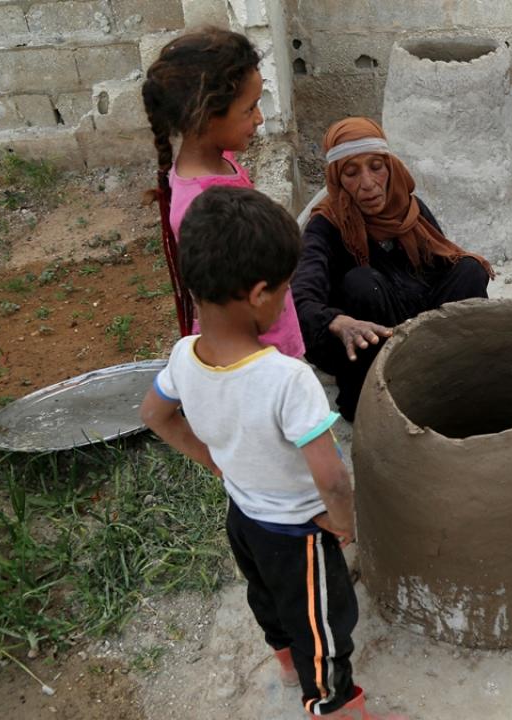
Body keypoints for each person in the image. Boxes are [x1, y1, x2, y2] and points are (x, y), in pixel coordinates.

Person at [139, 186, 404, 720]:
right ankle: (334, 705)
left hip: (244, 519)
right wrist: (345, 525)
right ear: (260, 293)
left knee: (268, 601)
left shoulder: (183, 355)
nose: (287, 300)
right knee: (324, 628)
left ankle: (286, 664)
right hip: (297, 532)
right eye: (285, 291)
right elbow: (331, 479)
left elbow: (155, 415)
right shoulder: (288, 379)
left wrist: (213, 460)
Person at [293, 117, 493, 421]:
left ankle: (450, 371)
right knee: (363, 283)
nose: (368, 183)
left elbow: (440, 265)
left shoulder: (408, 208)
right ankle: (377, 394)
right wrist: (338, 322)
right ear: (336, 179)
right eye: (351, 172)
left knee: (469, 270)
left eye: (376, 166)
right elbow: (301, 299)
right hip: (365, 337)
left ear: (390, 167)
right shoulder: (325, 227)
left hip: (411, 313)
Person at [141, 28, 306, 358]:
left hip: (270, 330)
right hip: (254, 355)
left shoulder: (219, 162)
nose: (259, 118)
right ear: (203, 117)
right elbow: (228, 300)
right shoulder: (199, 203)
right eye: (249, 109)